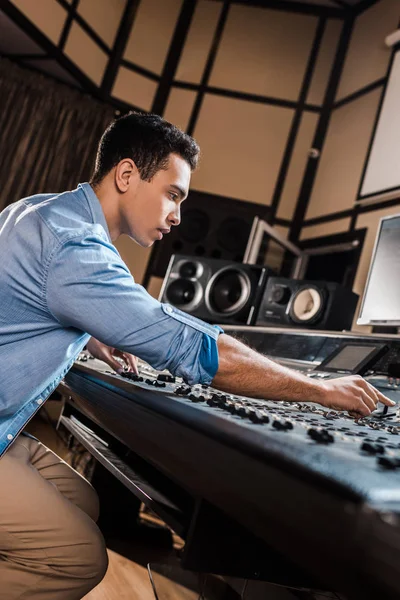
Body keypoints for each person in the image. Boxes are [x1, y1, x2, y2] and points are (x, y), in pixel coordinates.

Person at [0, 112, 393, 600]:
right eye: (173, 194)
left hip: (6, 427)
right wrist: (319, 389)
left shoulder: (41, 209)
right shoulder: (75, 246)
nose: (177, 216)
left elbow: (25, 301)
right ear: (126, 176)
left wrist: (90, 333)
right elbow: (188, 345)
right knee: (77, 555)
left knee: (85, 500)